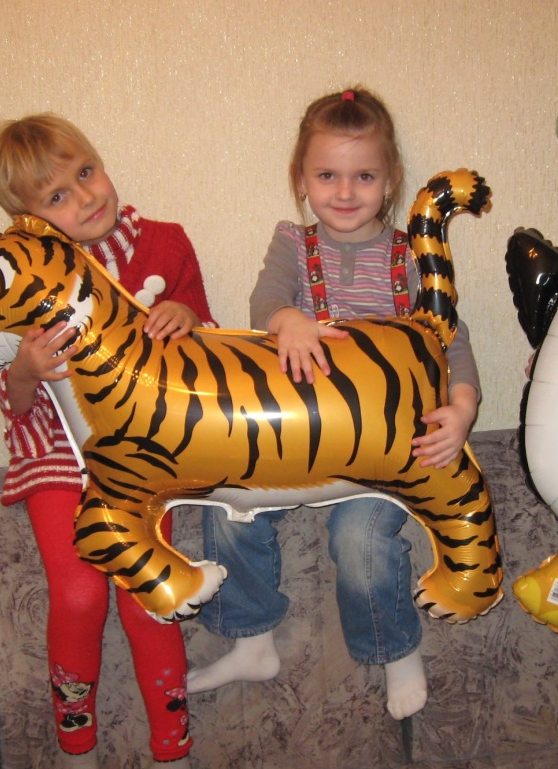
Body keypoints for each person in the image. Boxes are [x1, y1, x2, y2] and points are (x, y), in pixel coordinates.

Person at [186, 86, 481, 722]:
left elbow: (449, 341)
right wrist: (287, 319)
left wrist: (461, 409)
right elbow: (264, 302)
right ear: (301, 178)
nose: (345, 192)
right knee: (227, 507)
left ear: (391, 179)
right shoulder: (293, 244)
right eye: (327, 176)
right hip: (295, 441)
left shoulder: (411, 256)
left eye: (364, 176)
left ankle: (394, 648)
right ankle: (251, 640)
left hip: (382, 451)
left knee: (360, 541)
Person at [0, 113, 217, 768]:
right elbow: (13, 404)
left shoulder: (165, 244)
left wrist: (189, 318)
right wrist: (25, 368)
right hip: (57, 457)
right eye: (57, 195)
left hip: (144, 457)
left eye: (86, 172)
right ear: (28, 217)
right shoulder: (18, 274)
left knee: (147, 596)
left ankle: (173, 748)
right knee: (80, 594)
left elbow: (211, 359)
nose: (86, 197)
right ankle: (75, 747)